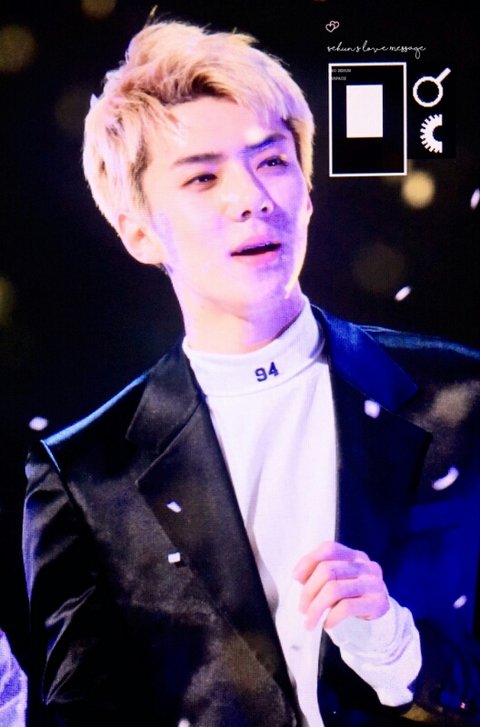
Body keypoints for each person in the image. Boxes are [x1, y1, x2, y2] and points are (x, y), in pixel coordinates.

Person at [22, 17, 480, 727]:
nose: (252, 197)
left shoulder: (460, 398)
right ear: (137, 230)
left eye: (271, 162)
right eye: (203, 176)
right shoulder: (87, 474)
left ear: (308, 190)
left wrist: (400, 652)